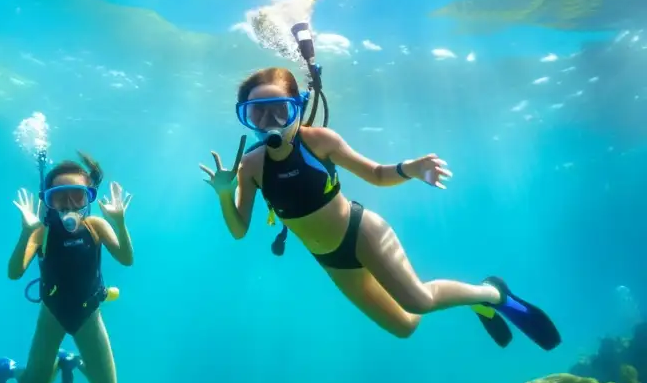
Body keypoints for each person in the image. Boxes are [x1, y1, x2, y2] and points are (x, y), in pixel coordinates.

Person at [200, 65, 560, 350]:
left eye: (278, 111)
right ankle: (476, 303)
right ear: (245, 118)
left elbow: (375, 173)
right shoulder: (250, 165)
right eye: (256, 115)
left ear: (299, 107)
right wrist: (223, 194)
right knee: (405, 326)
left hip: (361, 233)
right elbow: (239, 230)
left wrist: (412, 169)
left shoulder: (319, 141)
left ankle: (493, 294)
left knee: (418, 301)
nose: (268, 124)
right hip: (331, 260)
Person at [0, 152, 133, 383]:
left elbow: (126, 258)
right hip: (52, 316)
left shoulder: (96, 226)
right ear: (47, 200)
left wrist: (119, 222)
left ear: (88, 197)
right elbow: (14, 272)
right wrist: (27, 233)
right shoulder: (42, 231)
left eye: (78, 195)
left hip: (89, 314)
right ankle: (8, 370)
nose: (69, 205)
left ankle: (70, 362)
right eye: (59, 197)